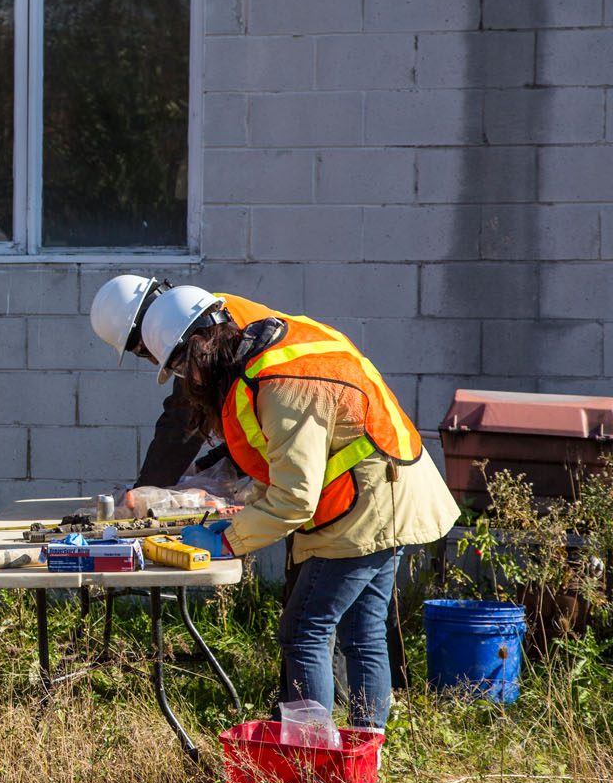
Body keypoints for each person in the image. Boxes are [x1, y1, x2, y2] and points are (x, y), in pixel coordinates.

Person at [137, 285, 458, 730]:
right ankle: (364, 754)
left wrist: (229, 540)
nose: (182, 377)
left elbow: (295, 498)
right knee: (363, 635)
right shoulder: (269, 354)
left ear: (199, 345)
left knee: (304, 630)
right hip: (391, 492)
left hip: (364, 507)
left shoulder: (278, 385)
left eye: (177, 363)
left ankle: (310, 757)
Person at [88, 275, 275, 486]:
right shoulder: (208, 311)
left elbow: (182, 425)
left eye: (142, 349)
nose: (152, 360)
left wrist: (146, 492)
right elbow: (257, 434)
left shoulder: (203, 332)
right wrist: (206, 469)